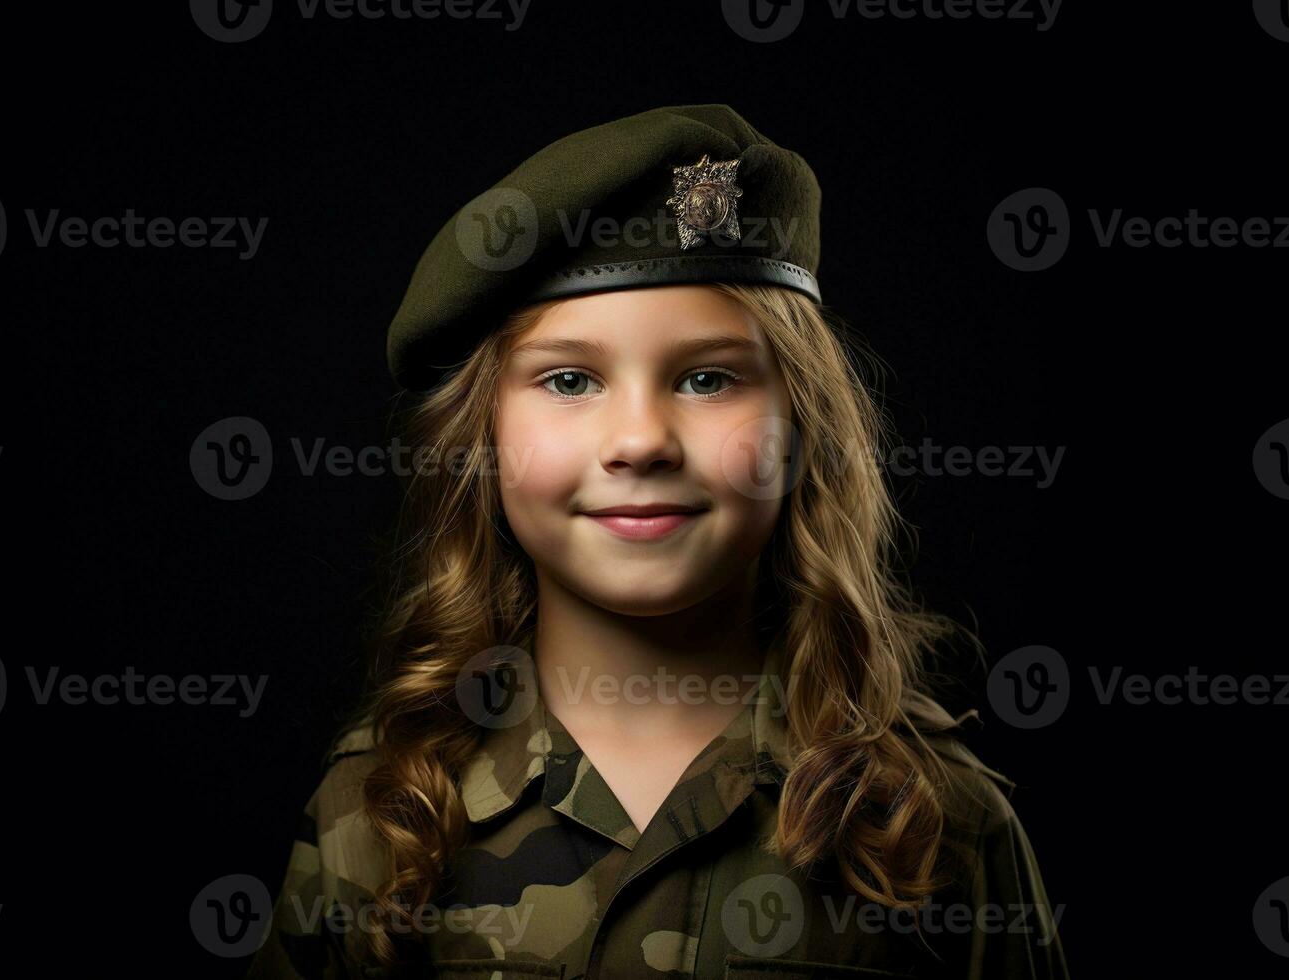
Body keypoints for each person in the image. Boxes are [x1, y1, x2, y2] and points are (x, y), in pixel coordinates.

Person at [243, 104, 1070, 979]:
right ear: (480, 435)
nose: (641, 441)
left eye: (708, 379)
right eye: (569, 380)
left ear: (803, 426)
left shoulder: (931, 821)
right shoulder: (384, 812)